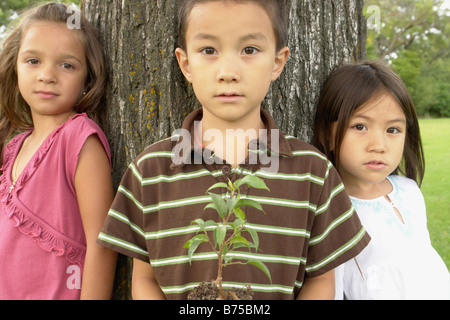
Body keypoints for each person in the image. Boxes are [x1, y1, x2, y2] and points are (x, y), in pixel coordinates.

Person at [98, 0, 370, 300]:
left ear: (277, 63)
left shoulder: (312, 173)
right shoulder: (150, 171)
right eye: (209, 51)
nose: (228, 72)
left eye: (249, 50)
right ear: (185, 63)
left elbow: (320, 282)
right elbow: (145, 279)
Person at [0, 3, 117, 299]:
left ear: (87, 78)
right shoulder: (13, 147)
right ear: (15, 65)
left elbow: (102, 245)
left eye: (67, 65)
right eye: (33, 61)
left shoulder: (79, 140)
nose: (47, 75)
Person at [313, 60, 450, 299]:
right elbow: (329, 290)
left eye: (393, 130)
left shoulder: (409, 190)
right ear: (329, 135)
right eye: (360, 126)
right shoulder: (333, 210)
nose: (379, 146)